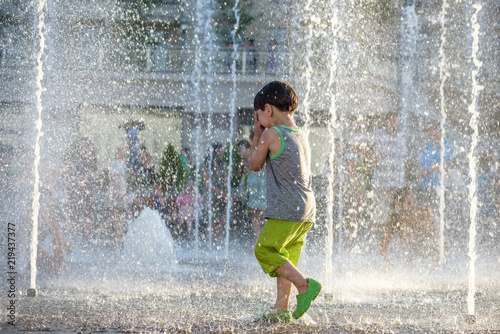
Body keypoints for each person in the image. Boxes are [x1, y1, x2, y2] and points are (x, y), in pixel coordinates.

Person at [250, 80, 321, 322]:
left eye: (259, 115)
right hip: (307, 209)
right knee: (285, 259)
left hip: (286, 208)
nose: (258, 119)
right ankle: (281, 309)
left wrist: (258, 132)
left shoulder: (271, 133)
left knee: (264, 250)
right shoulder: (301, 134)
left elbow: (254, 164)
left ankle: (304, 285)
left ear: (268, 110)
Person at [380, 187, 439, 265]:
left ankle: (436, 267)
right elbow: (384, 242)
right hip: (406, 252)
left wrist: (425, 228)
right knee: (406, 230)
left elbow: (436, 228)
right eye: (409, 203)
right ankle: (409, 264)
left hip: (422, 246)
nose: (413, 205)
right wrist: (387, 261)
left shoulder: (423, 212)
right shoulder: (396, 218)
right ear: (400, 204)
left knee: (443, 240)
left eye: (414, 202)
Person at [417, 122, 454, 212]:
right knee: (426, 212)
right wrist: (421, 169)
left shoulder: (446, 144)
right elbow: (422, 161)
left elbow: (446, 164)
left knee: (438, 212)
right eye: (429, 130)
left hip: (439, 186)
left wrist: (428, 171)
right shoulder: (428, 146)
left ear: (440, 130)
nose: (430, 132)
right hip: (426, 186)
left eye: (432, 129)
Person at [246, 133, 267, 238]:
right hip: (253, 183)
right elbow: (246, 169)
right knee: (254, 213)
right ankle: (257, 237)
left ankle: (266, 237)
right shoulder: (250, 152)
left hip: (263, 183)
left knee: (264, 213)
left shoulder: (265, 150)